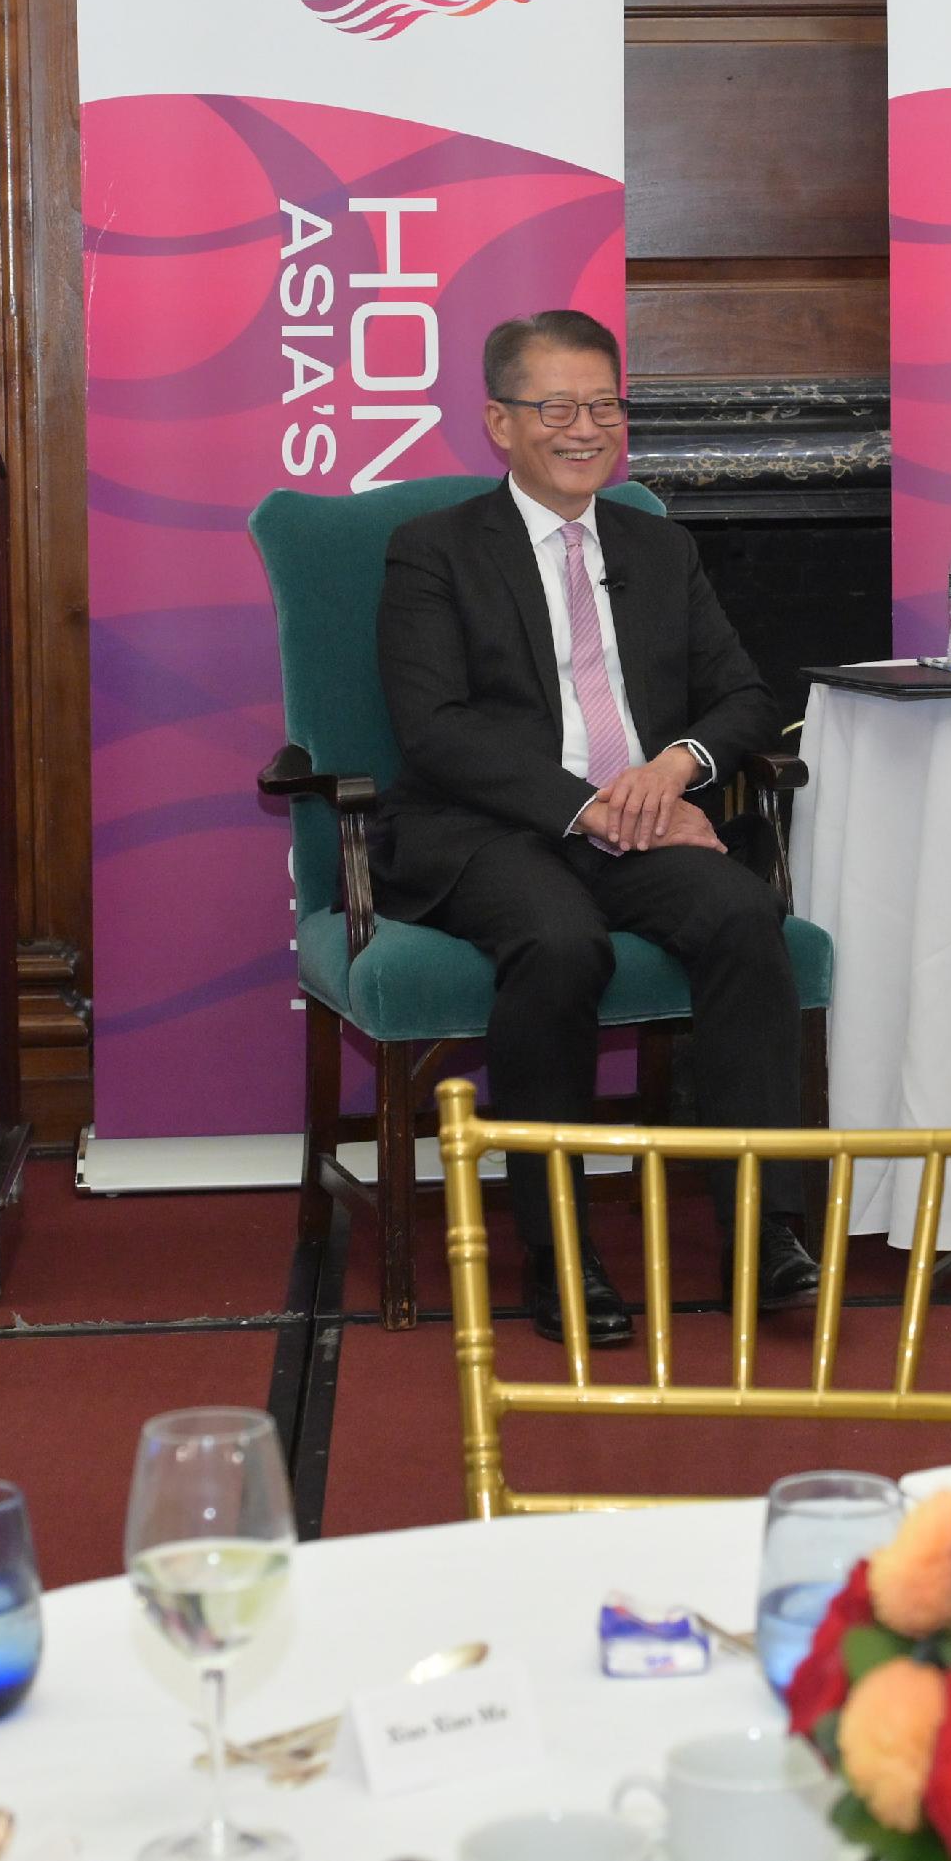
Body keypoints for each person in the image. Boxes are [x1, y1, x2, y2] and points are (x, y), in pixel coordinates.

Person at [376, 308, 812, 1347]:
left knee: (743, 917)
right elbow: (432, 728)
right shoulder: (431, 550)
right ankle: (557, 1243)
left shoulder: (658, 546)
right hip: (495, 830)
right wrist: (588, 804)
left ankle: (767, 1227)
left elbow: (743, 695)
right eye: (557, 407)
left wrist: (671, 770)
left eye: (605, 406)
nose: (586, 429)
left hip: (642, 818)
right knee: (557, 942)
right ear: (498, 421)